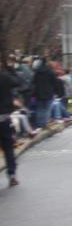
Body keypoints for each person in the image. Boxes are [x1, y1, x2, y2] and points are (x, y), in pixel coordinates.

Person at [1, 58, 19, 186]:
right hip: (4, 116)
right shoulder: (5, 77)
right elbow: (17, 82)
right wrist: (11, 69)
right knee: (8, 146)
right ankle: (12, 174)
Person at [29, 56, 59, 130]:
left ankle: (39, 124)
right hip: (48, 93)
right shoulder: (50, 71)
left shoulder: (37, 72)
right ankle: (45, 124)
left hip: (39, 93)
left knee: (40, 109)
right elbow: (55, 82)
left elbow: (33, 82)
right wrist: (54, 90)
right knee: (47, 109)